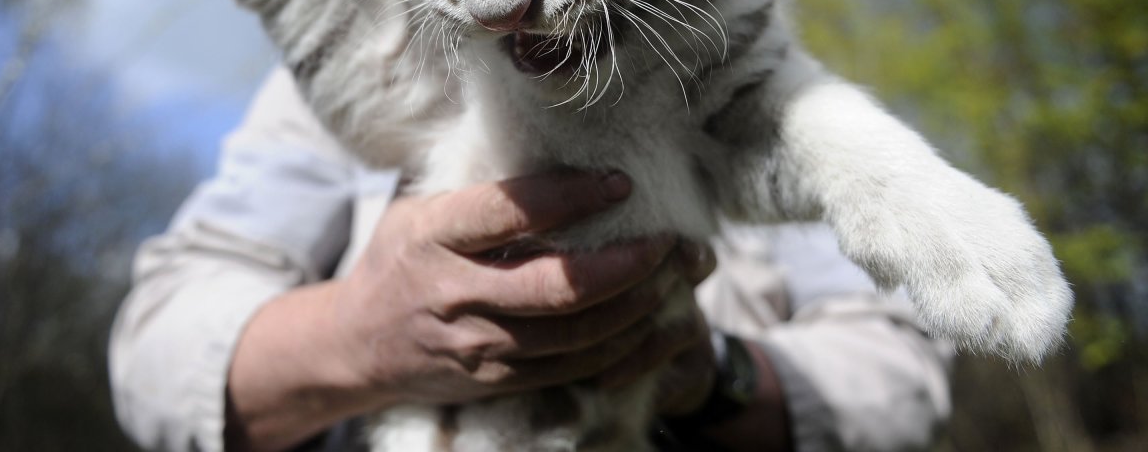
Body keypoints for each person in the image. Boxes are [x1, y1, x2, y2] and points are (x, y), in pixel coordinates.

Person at [109, 68, 953, 452]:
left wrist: (711, 377)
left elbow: (900, 371)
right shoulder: (341, 72)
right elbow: (157, 348)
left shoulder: (763, 94)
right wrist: (357, 336)